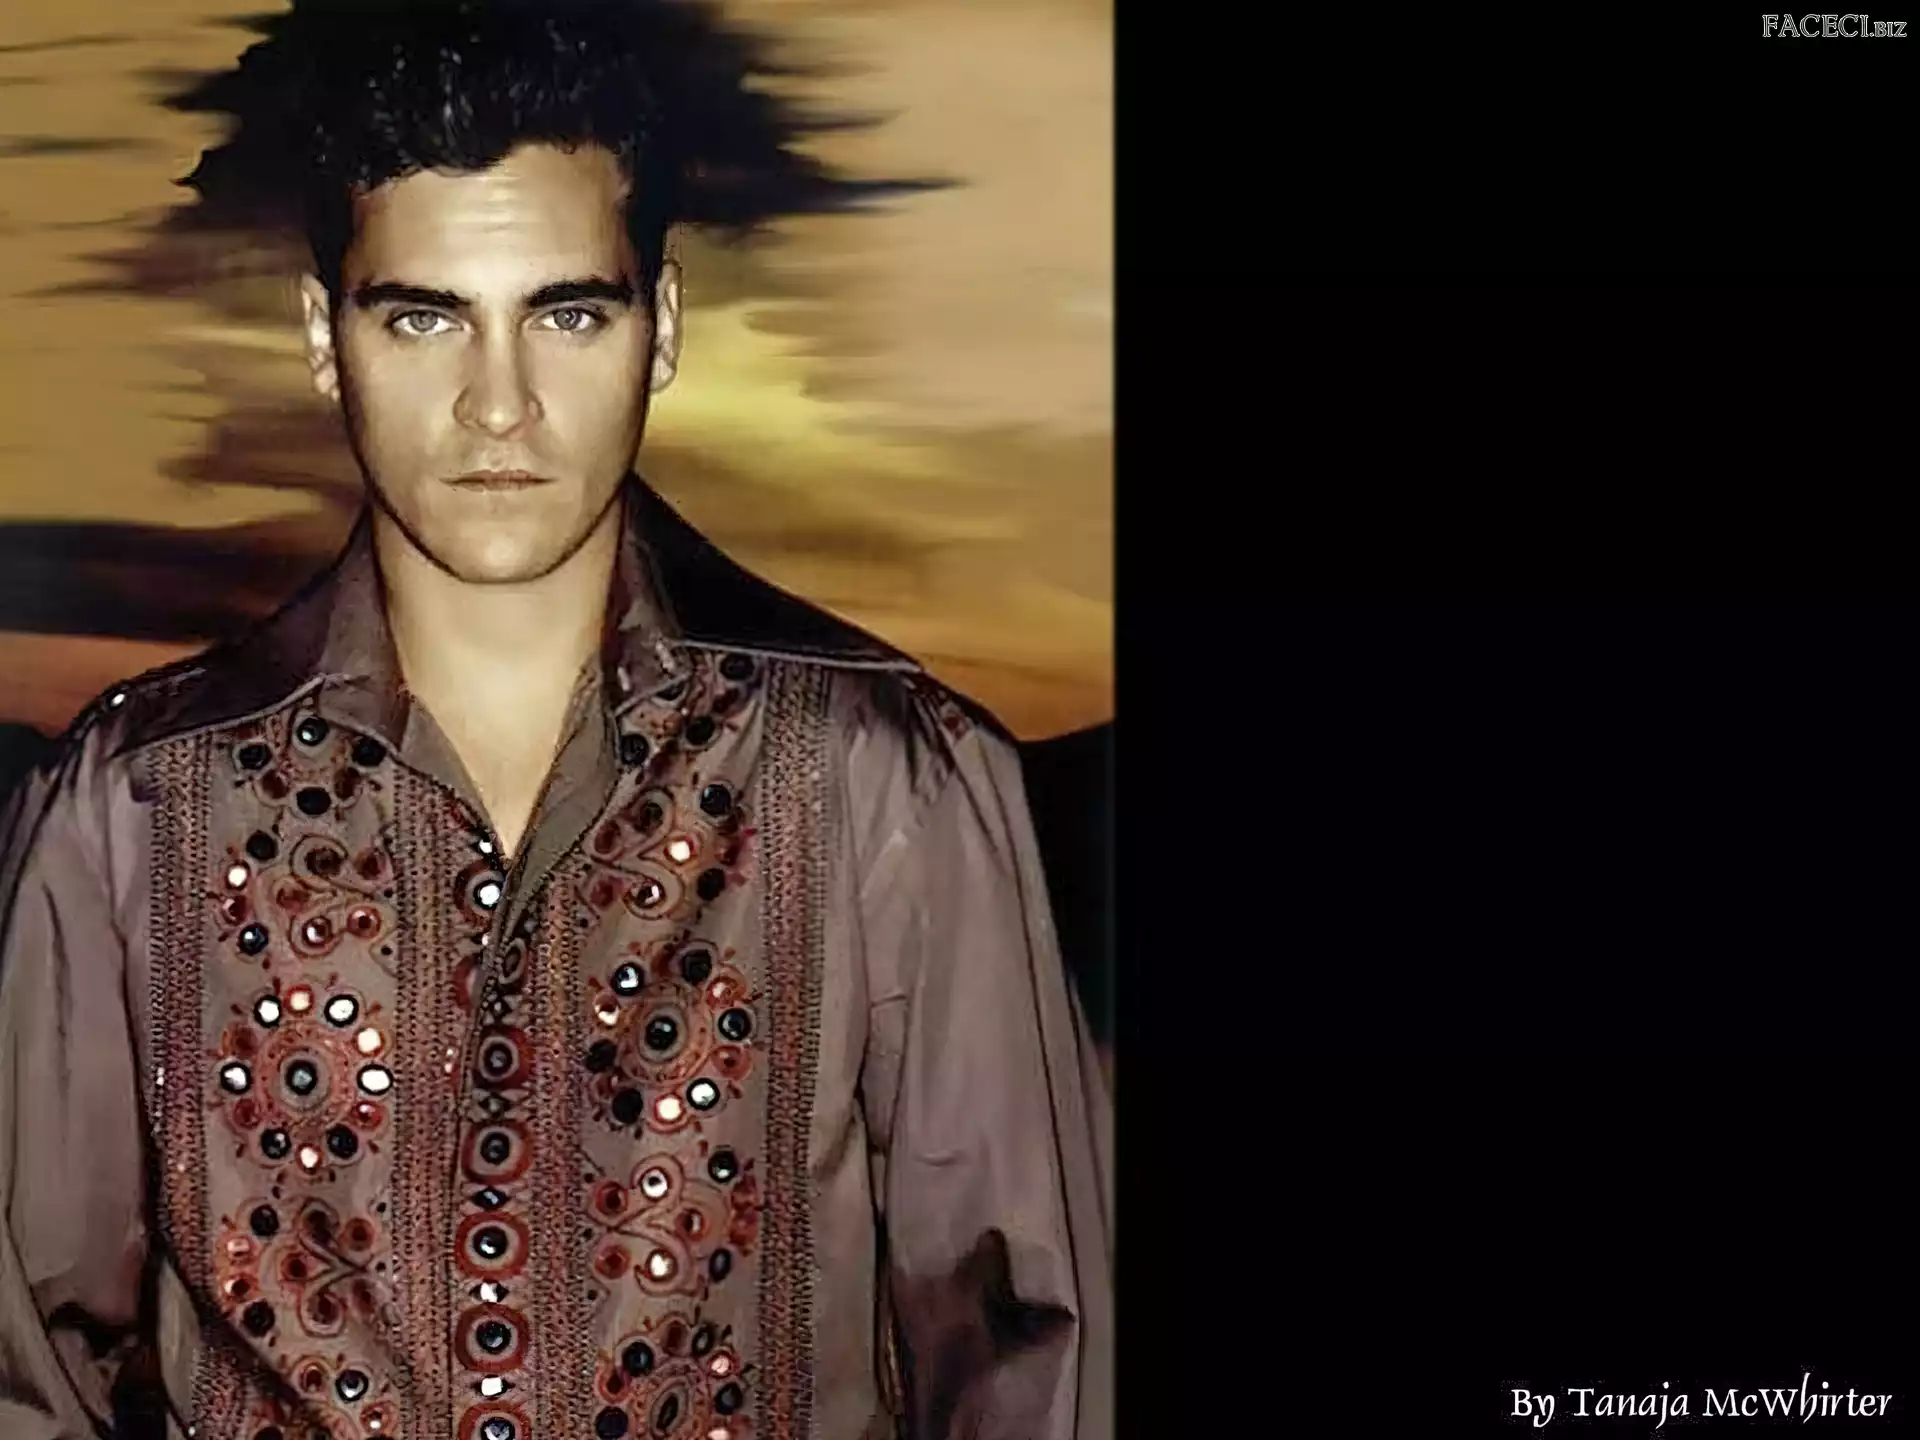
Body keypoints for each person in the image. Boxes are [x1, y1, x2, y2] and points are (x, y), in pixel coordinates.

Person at [0, 3, 1112, 1437]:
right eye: (424, 317)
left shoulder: (893, 782)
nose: (499, 405)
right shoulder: (130, 809)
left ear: (664, 329)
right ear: (325, 340)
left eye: (567, 313)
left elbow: (1039, 1369)